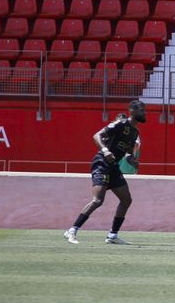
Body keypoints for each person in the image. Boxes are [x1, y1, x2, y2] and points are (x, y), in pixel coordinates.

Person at [63, 100, 147, 245]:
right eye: (141, 110)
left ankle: (112, 235)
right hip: (102, 162)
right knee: (98, 200)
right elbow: (96, 136)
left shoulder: (135, 132)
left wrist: (131, 159)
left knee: (126, 199)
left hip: (114, 167)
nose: (144, 112)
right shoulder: (120, 123)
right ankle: (71, 230)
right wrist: (105, 150)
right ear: (132, 111)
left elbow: (127, 153)